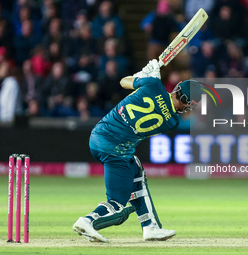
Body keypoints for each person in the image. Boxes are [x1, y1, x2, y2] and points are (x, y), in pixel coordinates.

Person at [73, 59, 203, 242]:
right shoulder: (173, 122)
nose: (189, 108)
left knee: (136, 170)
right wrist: (149, 79)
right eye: (190, 104)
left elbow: (124, 82)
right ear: (186, 102)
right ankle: (88, 221)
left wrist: (142, 76)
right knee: (117, 202)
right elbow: (161, 103)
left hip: (98, 136)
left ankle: (150, 227)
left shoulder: (153, 84)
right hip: (115, 149)